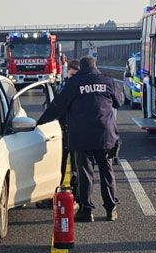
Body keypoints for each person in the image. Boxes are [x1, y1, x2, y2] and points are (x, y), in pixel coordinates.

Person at [37, 55, 121, 222]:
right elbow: (119, 101)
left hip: (82, 137)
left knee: (85, 174)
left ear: (81, 68)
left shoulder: (74, 83)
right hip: (105, 136)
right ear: (94, 65)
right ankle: (111, 209)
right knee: (107, 172)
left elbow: (56, 107)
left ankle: (86, 210)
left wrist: (39, 124)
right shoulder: (108, 81)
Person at [58, 59, 81, 188]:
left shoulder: (82, 89)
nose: (73, 78)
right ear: (67, 73)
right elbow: (51, 105)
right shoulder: (61, 88)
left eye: (76, 75)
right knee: (58, 164)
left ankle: (77, 192)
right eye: (72, 75)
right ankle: (55, 190)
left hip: (76, 131)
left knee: (76, 166)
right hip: (61, 130)